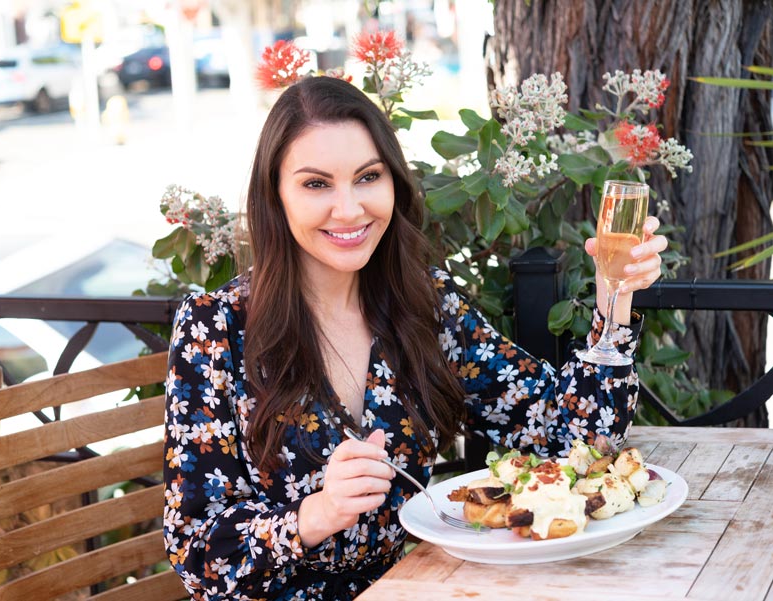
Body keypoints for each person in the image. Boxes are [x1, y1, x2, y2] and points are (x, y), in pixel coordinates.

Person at [162, 76, 667, 600]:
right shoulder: (214, 326)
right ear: (276, 195)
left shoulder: (422, 304)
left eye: (367, 177)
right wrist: (316, 514)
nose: (349, 209)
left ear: (392, 183)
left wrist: (615, 293)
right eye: (316, 184)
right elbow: (195, 550)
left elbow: (574, 435)